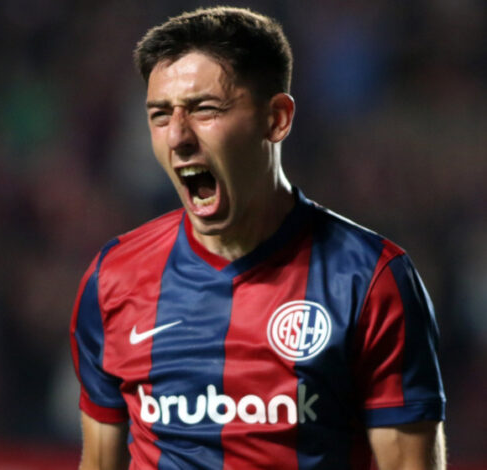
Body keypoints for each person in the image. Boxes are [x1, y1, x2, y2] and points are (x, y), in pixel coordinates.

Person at [69, 6, 446, 470]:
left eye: (205, 109)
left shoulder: (369, 280)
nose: (178, 136)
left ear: (277, 119)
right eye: (160, 115)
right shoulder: (114, 278)